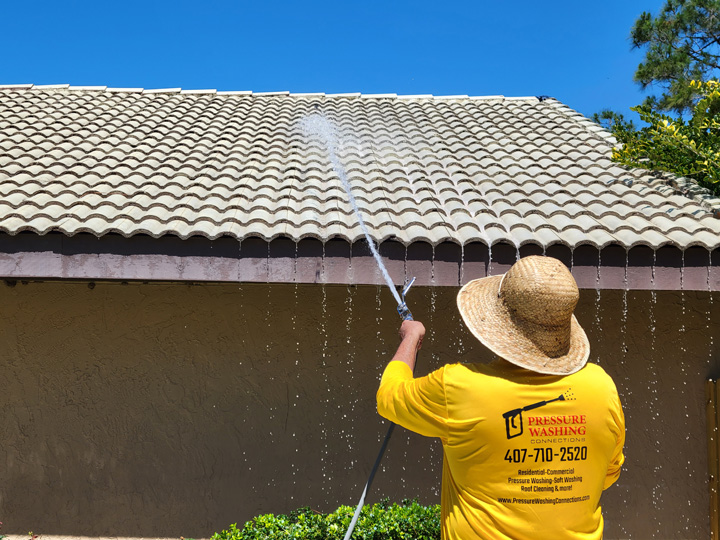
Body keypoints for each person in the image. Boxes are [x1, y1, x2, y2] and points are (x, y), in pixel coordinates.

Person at [376, 255, 625, 540]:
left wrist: (411, 337)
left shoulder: (459, 386)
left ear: (498, 322)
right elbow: (607, 475)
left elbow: (388, 395)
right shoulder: (602, 388)